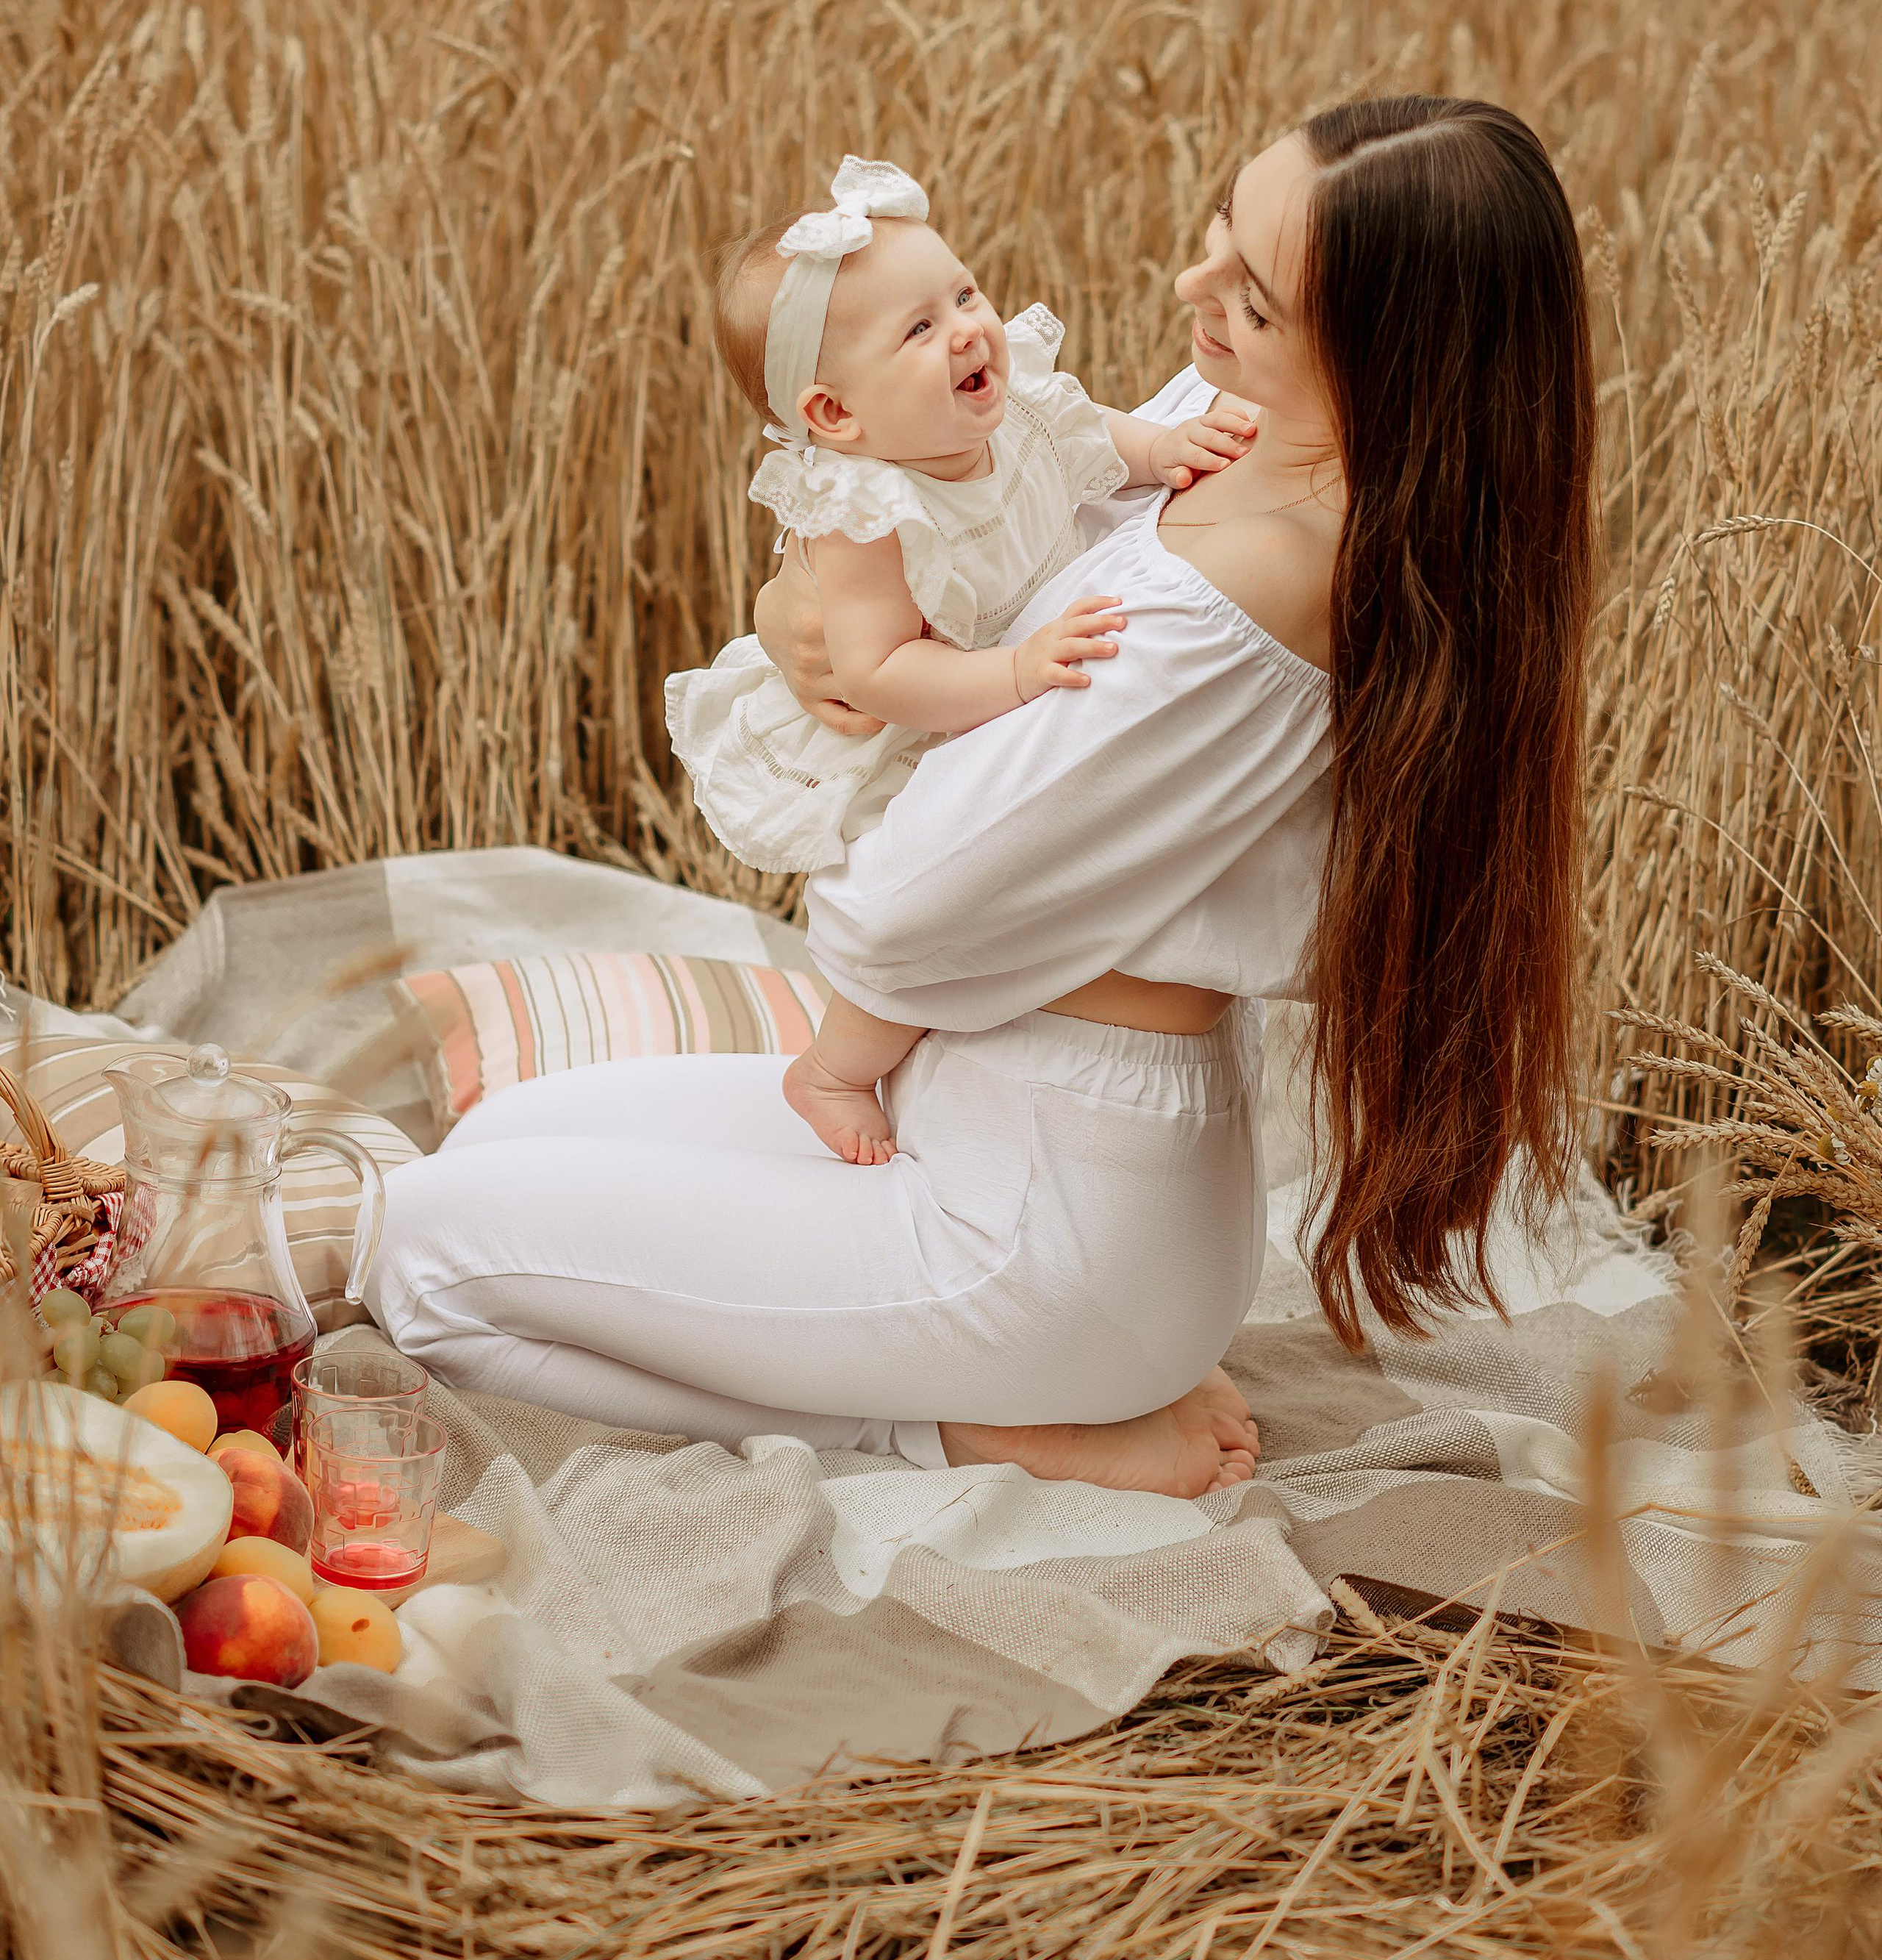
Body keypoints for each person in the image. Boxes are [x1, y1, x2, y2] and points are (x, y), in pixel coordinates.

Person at [368, 96, 1595, 1502]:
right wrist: (805, 625)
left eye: (1249, 299)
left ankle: (974, 1430)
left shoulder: (1249, 592)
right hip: (973, 1112)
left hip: (1045, 1219)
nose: (1195, 291)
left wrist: (890, 696)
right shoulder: (1240, 421)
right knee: (498, 1136)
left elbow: (901, 915)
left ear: (1382, 355)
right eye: (1219, 238)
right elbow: (973, 549)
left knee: (428, 1259)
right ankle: (1037, 1375)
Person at [665, 151, 1254, 1165]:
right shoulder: (869, 513)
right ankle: (836, 1068)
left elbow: (1089, 441)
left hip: (973, 691)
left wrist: (1165, 452)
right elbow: (880, 673)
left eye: (964, 294)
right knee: (921, 926)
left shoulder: (1011, 407)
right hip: (907, 730)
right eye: (920, 329)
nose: (970, 328)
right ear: (835, 418)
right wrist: (1018, 675)